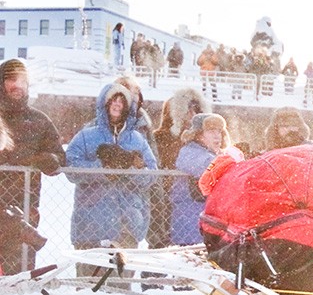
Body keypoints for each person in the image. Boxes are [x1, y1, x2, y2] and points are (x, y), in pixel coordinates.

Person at [64, 82, 159, 249]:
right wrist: (103, 169)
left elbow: (152, 174)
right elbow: (71, 167)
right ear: (104, 104)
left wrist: (128, 169)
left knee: (123, 265)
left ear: (128, 107)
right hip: (91, 222)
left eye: (122, 101)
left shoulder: (137, 139)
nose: (117, 104)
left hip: (127, 222)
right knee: (89, 265)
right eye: (113, 100)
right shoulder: (86, 136)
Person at [0, 59, 66, 273]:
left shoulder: (39, 121)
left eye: (22, 80)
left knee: (20, 275)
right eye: (11, 79)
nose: (17, 85)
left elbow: (60, 157)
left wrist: (48, 159)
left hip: (25, 209)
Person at [148, 88, 209, 248]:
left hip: (193, 197)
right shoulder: (162, 137)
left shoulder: (203, 139)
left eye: (196, 110)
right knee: (162, 240)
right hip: (167, 193)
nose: (192, 114)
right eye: (188, 110)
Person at [170, 113, 231, 245]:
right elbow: (208, 167)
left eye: (219, 131)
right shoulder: (189, 152)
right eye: (211, 131)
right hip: (190, 220)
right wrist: (233, 162)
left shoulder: (218, 155)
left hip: (207, 220)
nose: (217, 136)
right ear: (198, 135)